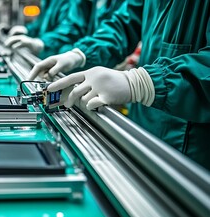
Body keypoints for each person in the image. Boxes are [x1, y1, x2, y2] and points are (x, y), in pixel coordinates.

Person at [28, 0, 210, 170]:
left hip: (192, 144)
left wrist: (142, 82)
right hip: (143, 120)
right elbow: (124, 23)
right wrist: (81, 53)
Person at [3, 0, 72, 58]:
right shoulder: (48, 2)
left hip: (66, 65)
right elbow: (39, 24)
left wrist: (42, 43)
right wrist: (26, 30)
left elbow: (69, 30)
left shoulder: (70, 2)